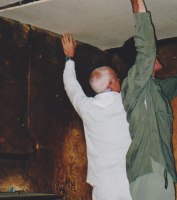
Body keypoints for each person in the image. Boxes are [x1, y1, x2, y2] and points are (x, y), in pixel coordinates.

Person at [120, 0, 177, 199]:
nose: (157, 54)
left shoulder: (155, 90)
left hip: (159, 171)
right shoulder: (134, 85)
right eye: (152, 54)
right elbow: (147, 49)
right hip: (150, 170)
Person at [62, 33, 132, 200]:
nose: (119, 80)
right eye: (116, 78)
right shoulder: (126, 102)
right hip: (129, 181)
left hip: (103, 185)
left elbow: (71, 86)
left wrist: (69, 57)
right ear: (110, 85)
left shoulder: (87, 108)